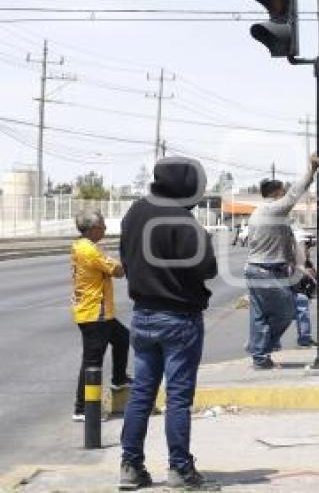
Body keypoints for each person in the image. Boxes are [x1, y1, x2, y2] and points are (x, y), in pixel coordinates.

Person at [119, 157, 218, 490]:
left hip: (142, 315)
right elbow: (207, 268)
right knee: (177, 397)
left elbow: (125, 256)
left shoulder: (135, 212)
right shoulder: (183, 220)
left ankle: (131, 467)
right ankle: (180, 470)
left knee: (141, 395)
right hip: (179, 318)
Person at [244, 156, 319, 369]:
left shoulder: (259, 212)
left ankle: (259, 355)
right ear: (277, 193)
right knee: (288, 311)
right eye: (282, 192)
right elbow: (296, 193)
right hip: (266, 272)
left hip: (258, 269)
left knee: (259, 316)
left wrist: (299, 267)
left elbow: (282, 244)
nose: (285, 194)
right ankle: (260, 349)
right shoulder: (272, 209)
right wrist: (311, 171)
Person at [71, 209, 131, 422]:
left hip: (100, 312)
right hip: (94, 313)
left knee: (123, 338)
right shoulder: (89, 251)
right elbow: (117, 271)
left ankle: (119, 379)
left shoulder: (83, 246)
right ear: (93, 229)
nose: (105, 229)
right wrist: (120, 260)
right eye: (102, 226)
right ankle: (82, 408)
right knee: (92, 362)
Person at [294, 240, 318, 348]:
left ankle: (305, 338)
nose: (308, 250)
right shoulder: (296, 257)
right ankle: (304, 338)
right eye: (306, 247)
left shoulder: (307, 261)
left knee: (302, 310)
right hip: (294, 290)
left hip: (300, 291)